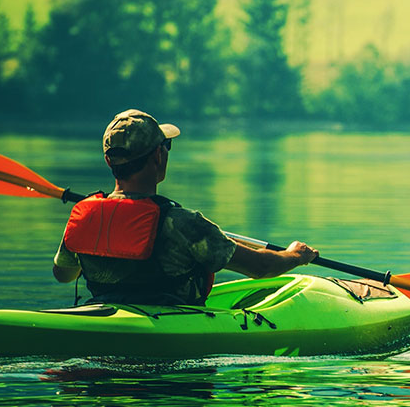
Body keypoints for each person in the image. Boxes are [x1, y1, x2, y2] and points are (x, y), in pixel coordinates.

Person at [52, 109, 317, 306]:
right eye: (166, 146)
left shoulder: (86, 215)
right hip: (171, 328)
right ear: (158, 155)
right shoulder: (184, 224)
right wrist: (296, 255)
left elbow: (63, 275)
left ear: (110, 162)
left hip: (104, 316)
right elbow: (261, 267)